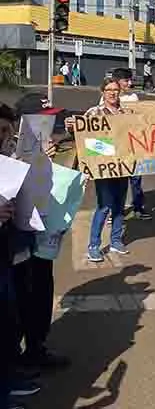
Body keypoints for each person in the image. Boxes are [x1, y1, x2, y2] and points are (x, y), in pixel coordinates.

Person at [9, 95, 69, 372]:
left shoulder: (43, 147)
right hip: (16, 239)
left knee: (42, 292)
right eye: (43, 117)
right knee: (20, 297)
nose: (49, 121)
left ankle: (36, 348)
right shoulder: (9, 148)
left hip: (43, 232)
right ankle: (16, 357)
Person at [1, 104, 43, 409]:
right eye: (1, 130)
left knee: (9, 323)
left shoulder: (9, 156)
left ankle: (9, 381)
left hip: (9, 250)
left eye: (7, 129)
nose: (5, 136)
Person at [84, 78, 132, 262]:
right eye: (109, 90)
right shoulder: (93, 112)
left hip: (123, 166)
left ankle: (116, 241)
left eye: (116, 90)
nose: (113, 93)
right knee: (104, 207)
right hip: (103, 168)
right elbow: (84, 138)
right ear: (102, 92)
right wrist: (70, 127)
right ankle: (94, 246)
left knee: (119, 206)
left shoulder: (127, 113)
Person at [109, 69, 151, 221]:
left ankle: (138, 208)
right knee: (116, 180)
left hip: (134, 144)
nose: (130, 83)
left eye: (130, 80)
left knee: (136, 179)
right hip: (116, 146)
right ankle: (114, 211)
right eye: (126, 80)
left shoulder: (133, 97)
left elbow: (140, 118)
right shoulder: (107, 97)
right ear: (117, 81)